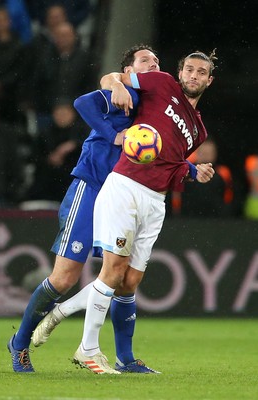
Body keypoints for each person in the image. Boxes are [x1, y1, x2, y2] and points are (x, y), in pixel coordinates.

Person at [7, 45, 162, 374]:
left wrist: (190, 170)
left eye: (157, 61)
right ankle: (19, 343)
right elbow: (82, 103)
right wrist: (114, 132)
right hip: (91, 188)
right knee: (64, 278)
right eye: (145, 60)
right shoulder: (122, 92)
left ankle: (127, 359)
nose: (154, 63)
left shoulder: (153, 106)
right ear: (129, 70)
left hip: (122, 198)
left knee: (122, 280)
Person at [68, 50, 216, 374]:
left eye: (200, 72)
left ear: (209, 80)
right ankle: (88, 348)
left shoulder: (199, 132)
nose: (193, 75)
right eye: (189, 69)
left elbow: (169, 161)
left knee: (130, 281)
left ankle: (125, 359)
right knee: (114, 270)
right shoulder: (161, 84)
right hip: (126, 185)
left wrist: (193, 171)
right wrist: (116, 84)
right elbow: (111, 78)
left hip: (155, 200)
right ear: (180, 73)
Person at [170, 136, 234, 217]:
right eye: (203, 153)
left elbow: (229, 196)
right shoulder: (185, 171)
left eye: (209, 153)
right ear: (196, 153)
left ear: (215, 153)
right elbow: (176, 194)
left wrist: (226, 213)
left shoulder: (223, 172)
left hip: (216, 220)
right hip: (187, 218)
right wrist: (176, 214)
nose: (206, 156)